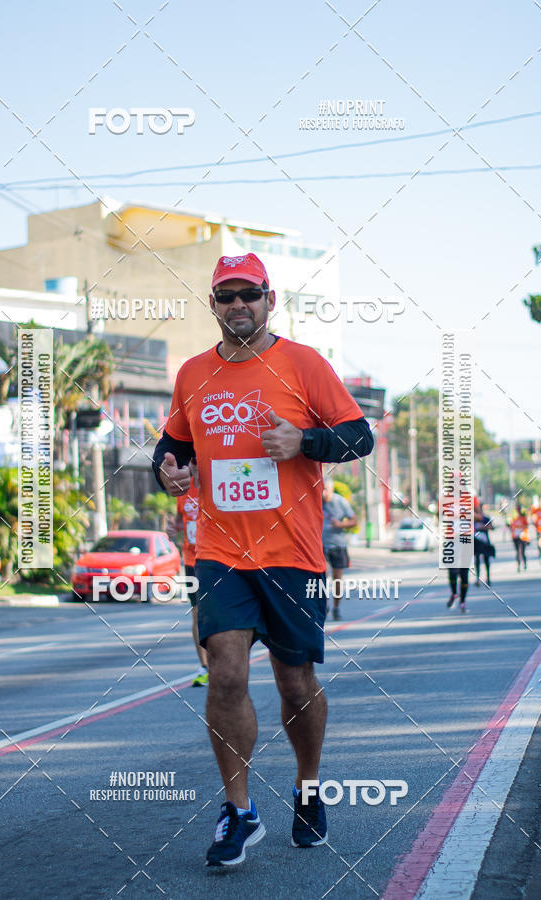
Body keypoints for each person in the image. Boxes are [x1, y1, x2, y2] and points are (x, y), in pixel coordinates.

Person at [152, 252, 374, 867]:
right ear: (215, 305)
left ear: (270, 300)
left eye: (249, 294)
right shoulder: (194, 373)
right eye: (226, 295)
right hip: (222, 554)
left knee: (294, 681)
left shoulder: (303, 363)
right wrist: (169, 475)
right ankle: (240, 812)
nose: (238, 304)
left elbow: (360, 436)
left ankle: (308, 788)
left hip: (293, 556)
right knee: (224, 673)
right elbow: (171, 451)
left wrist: (304, 440)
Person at [167, 475, 208, 686]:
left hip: (215, 558)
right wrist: (173, 528)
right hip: (192, 560)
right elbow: (179, 521)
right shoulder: (183, 489)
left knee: (218, 611)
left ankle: (224, 662)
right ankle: (204, 667)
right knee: (197, 613)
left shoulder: (214, 482)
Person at [321, 478, 357, 620]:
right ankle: (324, 605)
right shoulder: (316, 501)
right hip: (320, 545)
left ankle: (336, 607)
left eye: (326, 490)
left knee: (337, 579)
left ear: (331, 489)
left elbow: (354, 521)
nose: (323, 493)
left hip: (338, 544)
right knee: (321, 578)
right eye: (321, 490)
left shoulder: (340, 501)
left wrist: (340, 525)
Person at [473, 501, 494, 586]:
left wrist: (484, 527)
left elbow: (492, 527)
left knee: (486, 559)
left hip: (485, 540)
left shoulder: (485, 518)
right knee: (477, 559)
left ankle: (488, 578)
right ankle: (477, 578)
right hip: (476, 541)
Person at [509, 504, 530, 572]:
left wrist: (521, 528)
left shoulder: (523, 517)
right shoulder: (513, 518)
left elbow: (526, 526)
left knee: (523, 551)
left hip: (523, 536)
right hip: (515, 536)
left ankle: (524, 564)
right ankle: (518, 565)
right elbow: (510, 526)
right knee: (517, 551)